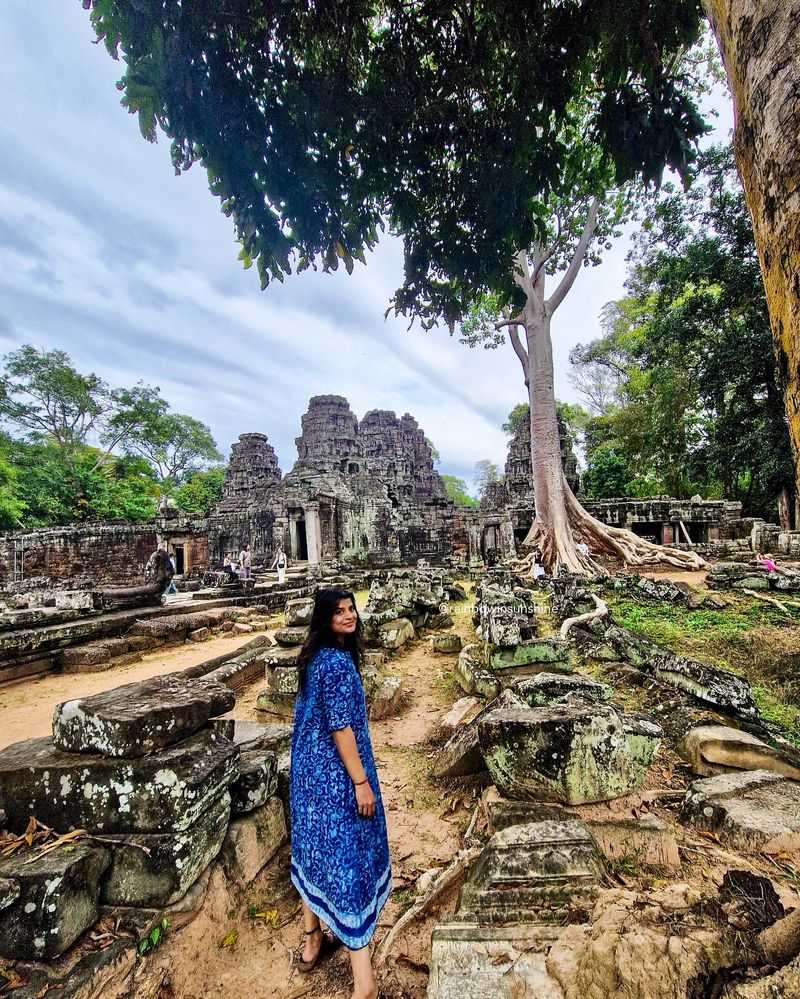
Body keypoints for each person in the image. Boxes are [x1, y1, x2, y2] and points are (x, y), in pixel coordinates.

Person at [290, 588, 391, 999]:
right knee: (349, 864)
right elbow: (340, 728)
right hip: (334, 778)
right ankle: (363, 982)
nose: (349, 616)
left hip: (308, 775)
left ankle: (313, 939)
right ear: (324, 618)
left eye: (352, 609)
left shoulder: (318, 656)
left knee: (313, 853)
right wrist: (360, 782)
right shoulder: (333, 664)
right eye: (340, 612)